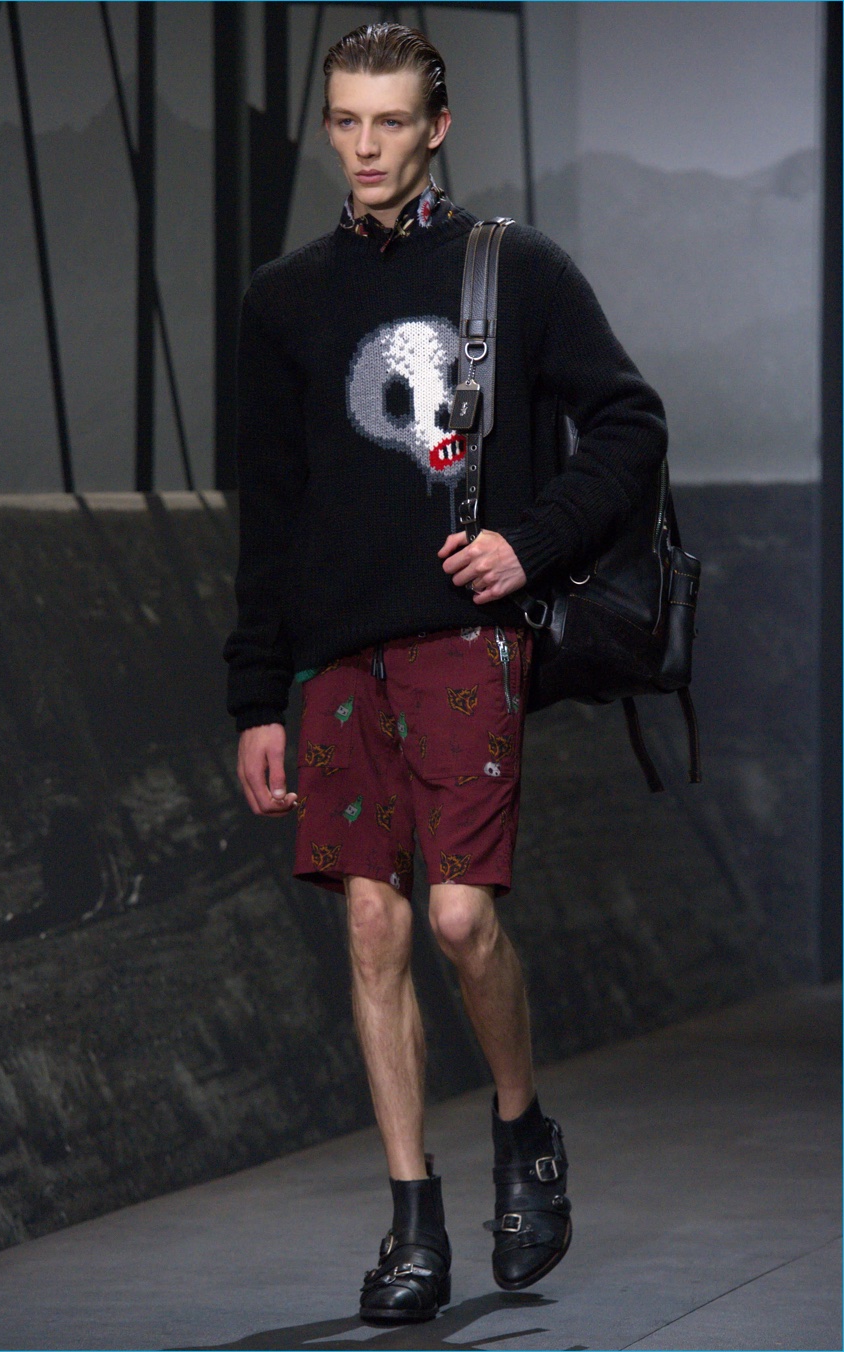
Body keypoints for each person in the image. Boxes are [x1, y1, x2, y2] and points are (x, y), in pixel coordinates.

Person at [223, 21, 667, 1324]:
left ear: (438, 127)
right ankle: (414, 1222)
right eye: (344, 121)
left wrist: (532, 540)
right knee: (373, 924)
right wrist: (256, 695)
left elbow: (630, 421)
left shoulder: (512, 269)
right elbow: (271, 513)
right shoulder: (283, 299)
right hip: (337, 658)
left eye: (389, 121)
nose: (364, 147)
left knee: (462, 920)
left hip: (467, 640)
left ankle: (523, 1131)